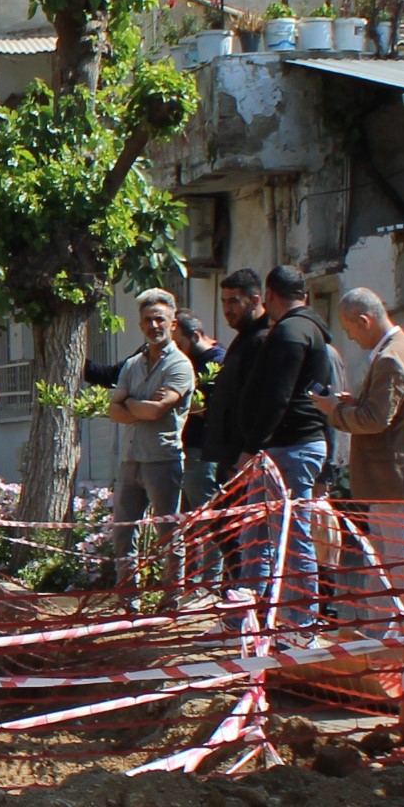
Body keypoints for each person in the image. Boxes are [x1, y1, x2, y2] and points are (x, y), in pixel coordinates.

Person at [206, 264, 338, 631]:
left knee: (292, 541)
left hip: (288, 450)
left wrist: (251, 448)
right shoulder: (302, 329)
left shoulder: (290, 333)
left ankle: (300, 626)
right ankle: (246, 618)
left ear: (270, 296)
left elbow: (276, 398)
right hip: (283, 450)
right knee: (255, 538)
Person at [315, 285, 404, 645]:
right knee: (391, 573)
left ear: (365, 319)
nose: (351, 336)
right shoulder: (402, 350)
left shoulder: (391, 357)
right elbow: (385, 411)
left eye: (351, 328)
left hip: (398, 485)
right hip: (398, 484)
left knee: (401, 574)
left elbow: (376, 420)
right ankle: (387, 642)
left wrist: (336, 412)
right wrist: (354, 403)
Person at [105, 290, 199, 563]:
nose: (153, 326)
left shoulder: (180, 365)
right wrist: (140, 406)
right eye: (148, 320)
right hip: (130, 460)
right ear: (140, 325)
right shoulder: (132, 364)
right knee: (122, 535)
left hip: (162, 459)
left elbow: (157, 410)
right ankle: (129, 603)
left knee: (169, 536)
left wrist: (130, 403)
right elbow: (113, 412)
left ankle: (171, 601)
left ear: (173, 324)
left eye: (160, 319)